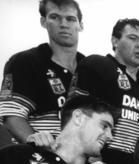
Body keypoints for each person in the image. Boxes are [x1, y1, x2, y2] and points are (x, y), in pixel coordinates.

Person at [69, 18, 139, 164]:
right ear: (115, 41)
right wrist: (95, 163)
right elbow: (73, 115)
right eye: (133, 38)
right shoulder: (97, 64)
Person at [0, 0, 84, 143]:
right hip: (40, 159)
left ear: (80, 25)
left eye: (70, 19)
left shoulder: (90, 67)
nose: (63, 24)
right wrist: (42, 147)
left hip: (82, 160)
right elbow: (12, 117)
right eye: (55, 17)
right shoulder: (25, 61)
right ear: (43, 22)